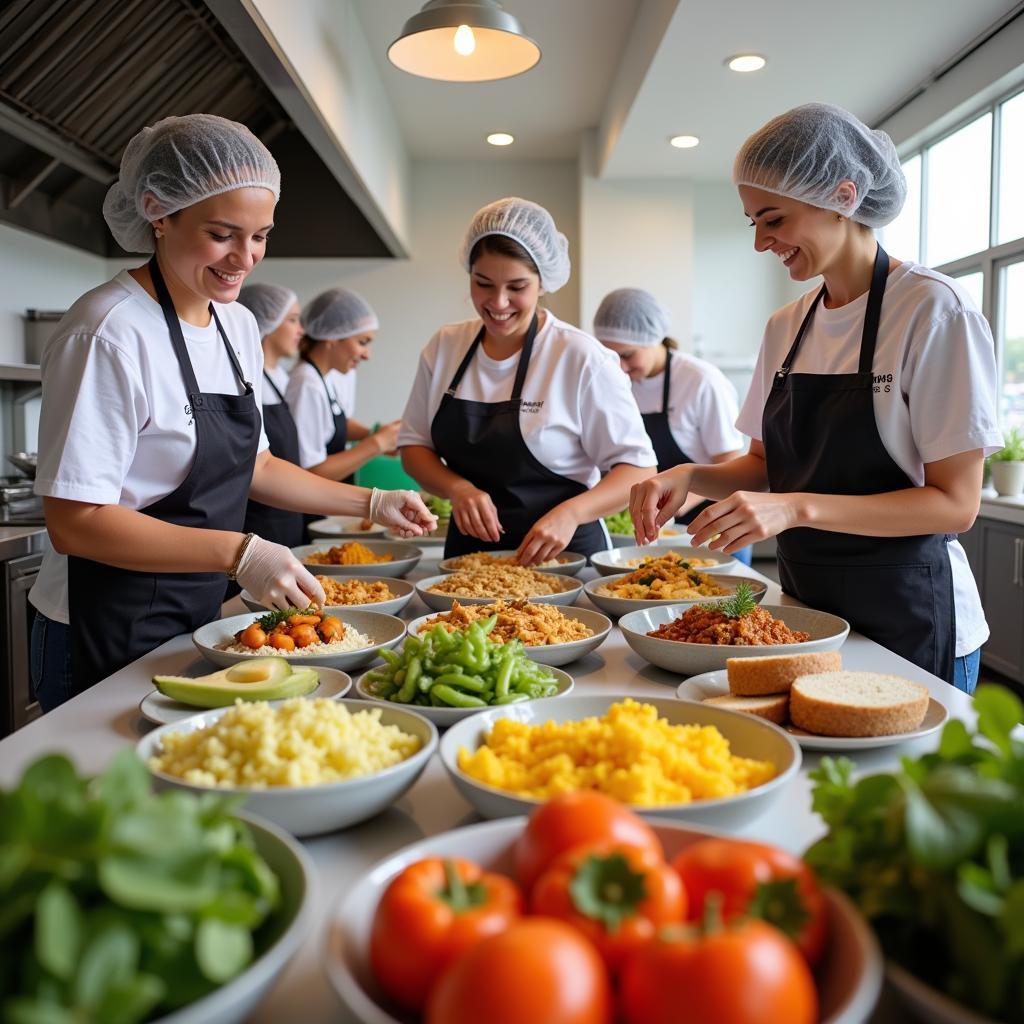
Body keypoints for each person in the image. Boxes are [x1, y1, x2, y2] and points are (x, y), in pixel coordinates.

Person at [28, 114, 435, 710]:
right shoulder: (108, 331)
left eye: (261, 235)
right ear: (158, 213)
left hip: (193, 615)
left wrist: (372, 503)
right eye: (222, 234)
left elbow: (258, 466)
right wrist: (240, 553)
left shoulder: (235, 324)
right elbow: (75, 521)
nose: (245, 258)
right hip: (96, 623)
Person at [631, 103, 1002, 692]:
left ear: (844, 196)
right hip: (804, 616)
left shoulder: (932, 309)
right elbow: (762, 466)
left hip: (909, 615)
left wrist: (796, 507)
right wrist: (689, 475)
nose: (760, 243)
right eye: (753, 222)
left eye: (773, 219)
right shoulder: (786, 323)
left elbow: (955, 504)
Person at [399, 196, 657, 562]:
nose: (498, 302)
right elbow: (414, 448)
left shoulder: (580, 356)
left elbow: (638, 470)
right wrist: (457, 490)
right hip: (469, 557)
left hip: (565, 556)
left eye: (517, 287)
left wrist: (571, 514)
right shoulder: (446, 346)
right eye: (483, 283)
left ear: (543, 283)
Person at [593, 287, 751, 565]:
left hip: (712, 528)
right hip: (652, 530)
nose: (619, 367)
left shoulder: (701, 382)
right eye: (610, 356)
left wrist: (676, 501)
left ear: (655, 339)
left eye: (627, 355)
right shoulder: (614, 382)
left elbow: (732, 465)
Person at [285, 287, 401, 486]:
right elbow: (311, 473)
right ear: (332, 336)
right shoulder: (306, 384)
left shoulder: (325, 377)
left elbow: (331, 426)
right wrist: (376, 444)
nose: (367, 355)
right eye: (362, 342)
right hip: (309, 510)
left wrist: (374, 433)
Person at [236, 282, 304, 548]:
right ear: (267, 322)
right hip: (258, 525)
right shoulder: (248, 381)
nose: (301, 331)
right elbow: (259, 467)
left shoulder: (279, 378)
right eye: (293, 320)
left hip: (289, 517)